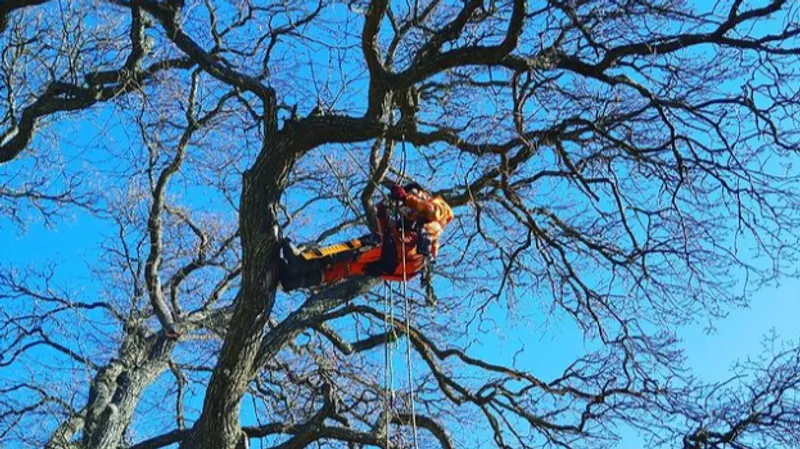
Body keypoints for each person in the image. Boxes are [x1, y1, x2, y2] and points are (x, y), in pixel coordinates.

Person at [279, 183, 454, 291]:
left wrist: (406, 198)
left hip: (411, 255)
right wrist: (382, 213)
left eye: (414, 194)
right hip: (394, 264)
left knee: (362, 245)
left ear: (423, 194)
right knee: (348, 267)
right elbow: (386, 233)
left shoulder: (437, 207)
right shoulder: (403, 225)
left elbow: (432, 212)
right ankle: (295, 280)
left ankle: (302, 261)